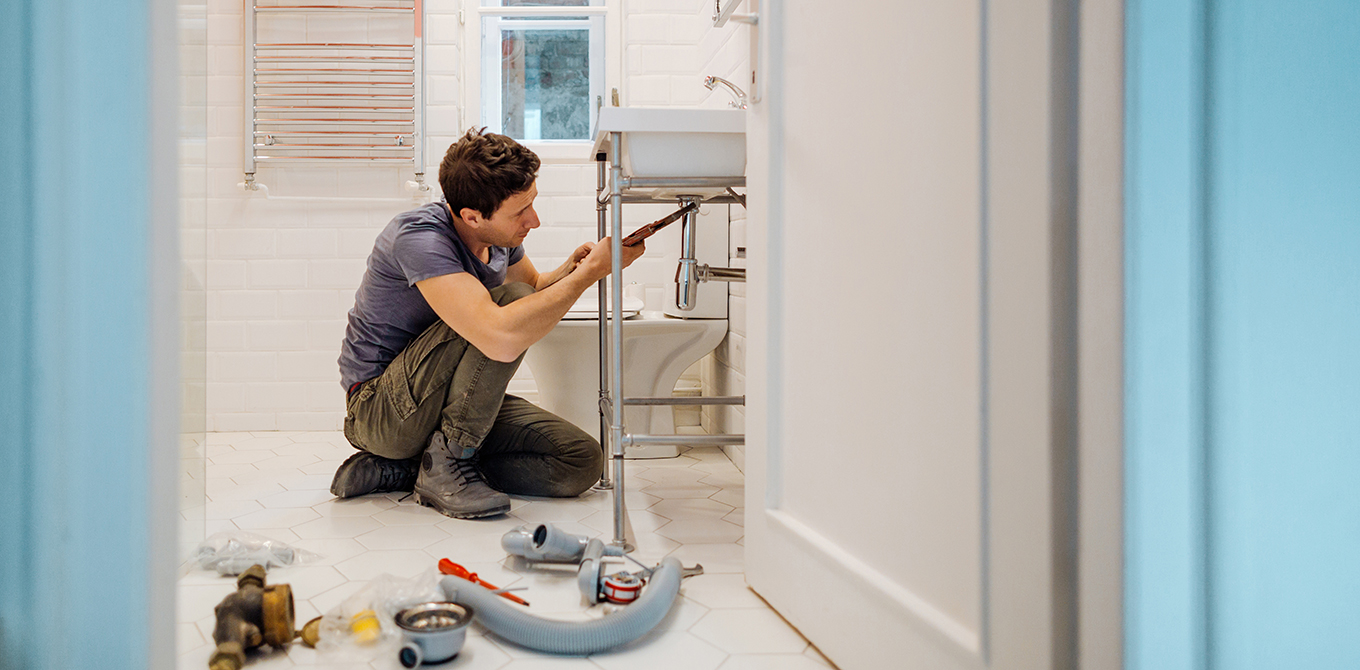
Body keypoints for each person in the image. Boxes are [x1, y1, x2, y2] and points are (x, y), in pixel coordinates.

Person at [331, 128, 645, 519]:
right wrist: (590, 275)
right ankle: (450, 460)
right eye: (520, 212)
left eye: (532, 204)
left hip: (441, 398)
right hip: (381, 410)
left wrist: (575, 268)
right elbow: (500, 335)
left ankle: (416, 468)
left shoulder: (498, 236)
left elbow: (534, 288)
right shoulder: (419, 237)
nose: (534, 220)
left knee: (579, 460)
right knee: (507, 308)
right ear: (472, 217)